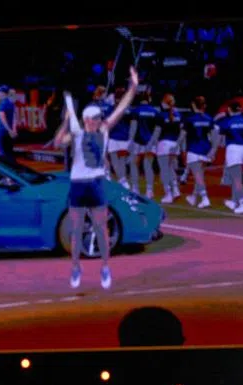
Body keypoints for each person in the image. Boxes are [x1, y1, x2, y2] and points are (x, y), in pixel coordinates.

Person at [53, 67, 140, 292]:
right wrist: (65, 120)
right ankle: (75, 267)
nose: (95, 121)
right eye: (91, 119)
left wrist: (134, 86)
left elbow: (122, 107)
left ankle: (105, 267)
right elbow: (57, 143)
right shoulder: (77, 133)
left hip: (97, 184)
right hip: (78, 185)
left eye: (97, 118)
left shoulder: (104, 130)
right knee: (77, 227)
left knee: (102, 228)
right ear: (85, 119)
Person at [180, 96, 218, 208]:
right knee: (199, 175)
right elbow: (213, 136)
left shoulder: (189, 119)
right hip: (205, 149)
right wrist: (213, 151)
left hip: (193, 150)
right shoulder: (209, 118)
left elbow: (183, 135)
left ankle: (205, 198)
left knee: (198, 176)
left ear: (193, 105)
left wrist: (177, 146)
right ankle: (193, 197)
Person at [212, 101, 243, 214]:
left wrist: (213, 151)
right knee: (236, 177)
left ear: (229, 110)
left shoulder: (227, 122)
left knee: (236, 178)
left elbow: (218, 136)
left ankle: (242, 204)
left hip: (234, 150)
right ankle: (234, 201)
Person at [105, 86, 139, 190]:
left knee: (117, 162)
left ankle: (122, 180)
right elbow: (133, 125)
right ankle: (123, 181)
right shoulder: (128, 109)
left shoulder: (111, 109)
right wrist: (131, 139)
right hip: (122, 139)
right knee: (120, 162)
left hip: (116, 139)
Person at [152, 94, 183, 203]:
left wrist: (152, 143)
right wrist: (179, 144)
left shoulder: (160, 115)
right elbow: (181, 132)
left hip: (164, 144)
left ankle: (168, 193)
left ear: (164, 103)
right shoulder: (178, 114)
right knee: (170, 169)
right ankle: (175, 190)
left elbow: (157, 132)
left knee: (164, 170)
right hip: (175, 144)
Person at [0, 85, 18, 161]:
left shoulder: (2, 104)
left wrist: (10, 130)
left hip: (2, 132)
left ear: (2, 93)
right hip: (8, 132)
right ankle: (14, 170)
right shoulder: (11, 103)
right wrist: (13, 130)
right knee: (9, 153)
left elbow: (2, 117)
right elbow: (14, 117)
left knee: (2, 153)